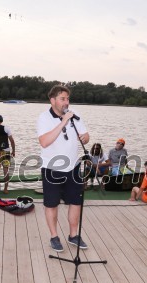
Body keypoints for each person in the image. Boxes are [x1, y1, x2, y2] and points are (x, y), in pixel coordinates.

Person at [37, 85, 90, 252]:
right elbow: (45, 142)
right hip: (52, 169)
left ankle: (73, 235)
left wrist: (85, 137)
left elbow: (86, 136)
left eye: (67, 98)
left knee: (75, 202)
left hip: (73, 168)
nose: (66, 102)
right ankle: (54, 237)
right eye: (62, 99)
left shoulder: (75, 115)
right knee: (51, 204)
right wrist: (64, 121)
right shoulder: (44, 118)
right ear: (52, 100)